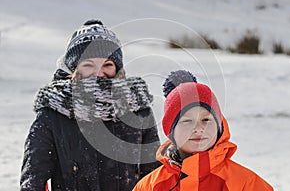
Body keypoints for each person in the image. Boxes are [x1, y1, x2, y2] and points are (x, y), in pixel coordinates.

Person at [20, 19, 161, 191]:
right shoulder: (52, 112)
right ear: (74, 69)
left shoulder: (138, 111)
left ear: (118, 69)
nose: (98, 73)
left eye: (107, 64)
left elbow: (154, 177)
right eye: (88, 65)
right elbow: (33, 180)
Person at [133, 70, 273, 191]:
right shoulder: (150, 186)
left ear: (219, 127)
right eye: (187, 121)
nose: (199, 129)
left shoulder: (246, 184)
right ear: (171, 131)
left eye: (206, 120)